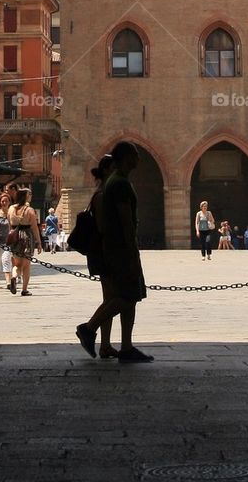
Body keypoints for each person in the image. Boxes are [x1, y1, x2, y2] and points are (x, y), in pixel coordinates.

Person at [76, 140, 152, 362]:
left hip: (115, 248)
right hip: (120, 249)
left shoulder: (117, 182)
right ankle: (89, 328)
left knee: (130, 295)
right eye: (135, 154)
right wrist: (131, 251)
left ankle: (126, 348)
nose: (139, 158)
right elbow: (125, 221)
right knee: (128, 295)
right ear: (127, 157)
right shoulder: (119, 184)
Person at [75, 155, 120, 359]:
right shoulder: (102, 196)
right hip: (105, 251)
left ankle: (105, 345)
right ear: (107, 171)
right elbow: (103, 227)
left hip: (104, 251)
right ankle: (88, 328)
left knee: (109, 298)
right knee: (118, 298)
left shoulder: (103, 194)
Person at [7, 187, 42, 295]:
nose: (31, 196)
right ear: (26, 196)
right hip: (26, 236)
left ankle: (13, 277)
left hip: (15, 235)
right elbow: (35, 227)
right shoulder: (29, 210)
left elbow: (9, 224)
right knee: (26, 265)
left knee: (17, 264)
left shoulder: (11, 209)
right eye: (30, 194)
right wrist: (39, 242)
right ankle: (24, 289)